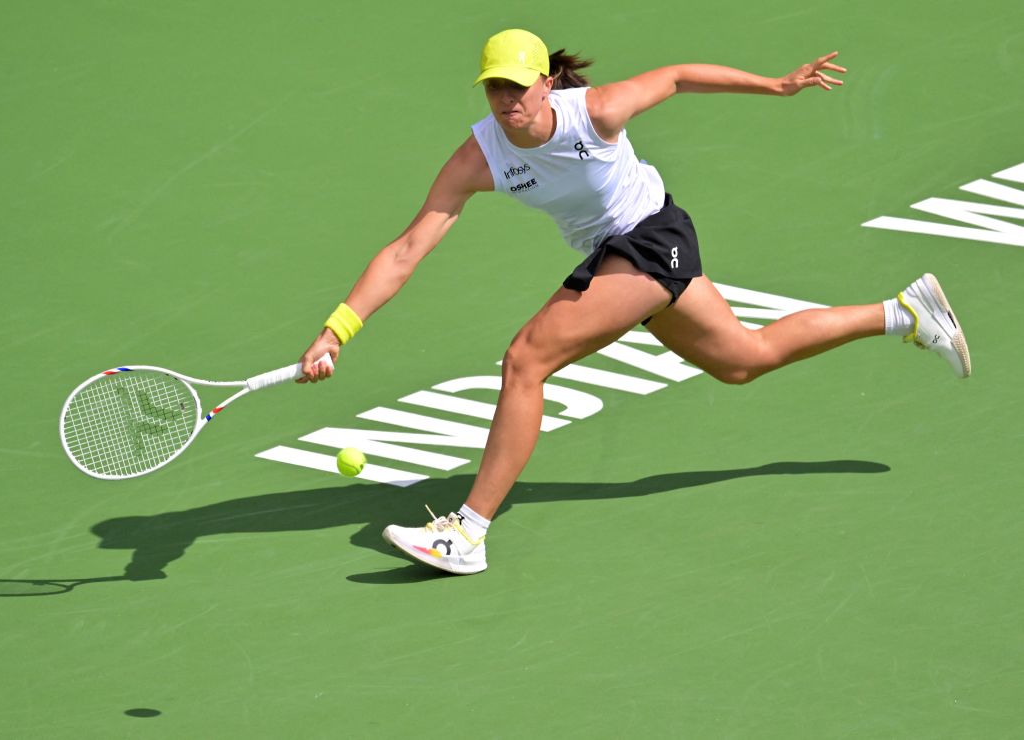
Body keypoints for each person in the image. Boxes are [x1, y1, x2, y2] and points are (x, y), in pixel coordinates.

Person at [299, 29, 970, 575]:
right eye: (494, 87)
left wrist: (777, 84)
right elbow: (406, 249)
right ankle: (905, 312)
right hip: (626, 253)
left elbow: (676, 75)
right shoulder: (480, 157)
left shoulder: (594, 112)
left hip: (652, 237)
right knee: (744, 358)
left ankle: (468, 533)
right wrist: (339, 329)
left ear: (545, 83)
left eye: (516, 85)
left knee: (525, 360)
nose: (506, 100)